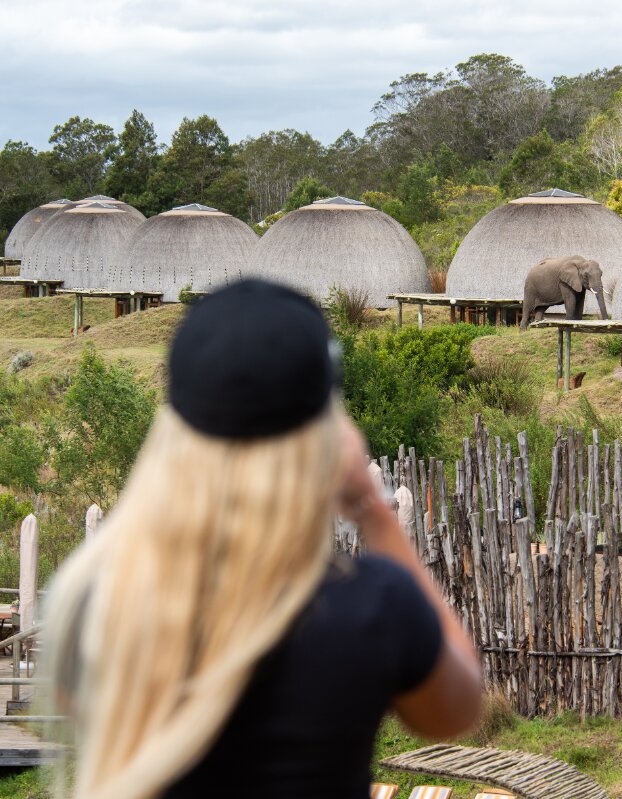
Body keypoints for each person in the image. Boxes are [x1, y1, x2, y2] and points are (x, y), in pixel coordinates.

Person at [42, 279, 482, 799]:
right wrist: (374, 512)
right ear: (321, 436)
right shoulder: (369, 605)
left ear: (175, 434)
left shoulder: (94, 604)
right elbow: (458, 708)